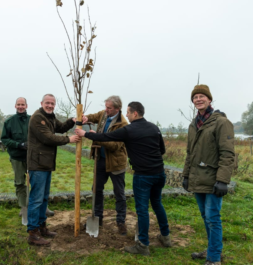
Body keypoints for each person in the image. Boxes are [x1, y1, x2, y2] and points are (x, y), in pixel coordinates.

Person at [76, 101, 171, 256]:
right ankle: (166, 237)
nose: (126, 114)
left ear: (135, 113)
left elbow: (107, 137)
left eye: (128, 112)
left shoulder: (129, 129)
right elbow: (162, 150)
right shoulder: (154, 127)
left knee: (142, 210)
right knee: (157, 204)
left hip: (143, 176)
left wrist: (85, 134)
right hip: (159, 173)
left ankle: (143, 245)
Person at [182, 85, 234, 265]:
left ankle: (214, 259)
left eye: (202, 96)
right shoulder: (193, 124)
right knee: (206, 216)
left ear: (209, 99)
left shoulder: (221, 122)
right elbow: (190, 153)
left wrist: (222, 180)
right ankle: (213, 248)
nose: (198, 99)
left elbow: (227, 154)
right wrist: (186, 175)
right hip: (198, 178)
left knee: (213, 217)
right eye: (195, 97)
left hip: (213, 179)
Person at [26, 94, 85, 246]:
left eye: (52, 103)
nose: (50, 106)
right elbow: (48, 138)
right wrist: (68, 139)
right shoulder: (37, 118)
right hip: (37, 164)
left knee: (44, 198)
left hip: (45, 164)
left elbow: (60, 127)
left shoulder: (50, 117)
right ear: (41, 103)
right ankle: (33, 233)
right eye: (48, 103)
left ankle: (41, 227)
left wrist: (72, 120)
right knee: (36, 199)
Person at [1, 97, 54, 217]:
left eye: (22, 104)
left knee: (37, 182)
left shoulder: (33, 120)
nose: (20, 106)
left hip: (33, 157)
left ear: (26, 106)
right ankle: (24, 207)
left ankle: (42, 207)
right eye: (18, 104)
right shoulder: (9, 122)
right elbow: (4, 139)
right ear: (15, 106)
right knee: (20, 183)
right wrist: (18, 145)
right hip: (17, 157)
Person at [85, 95, 129, 235]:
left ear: (117, 109)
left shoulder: (123, 124)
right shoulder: (104, 114)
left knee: (119, 193)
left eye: (109, 108)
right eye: (106, 107)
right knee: (96, 189)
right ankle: (98, 218)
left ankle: (121, 221)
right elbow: (94, 116)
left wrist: (96, 137)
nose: (106, 110)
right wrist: (86, 118)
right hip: (101, 160)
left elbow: (114, 145)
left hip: (116, 163)